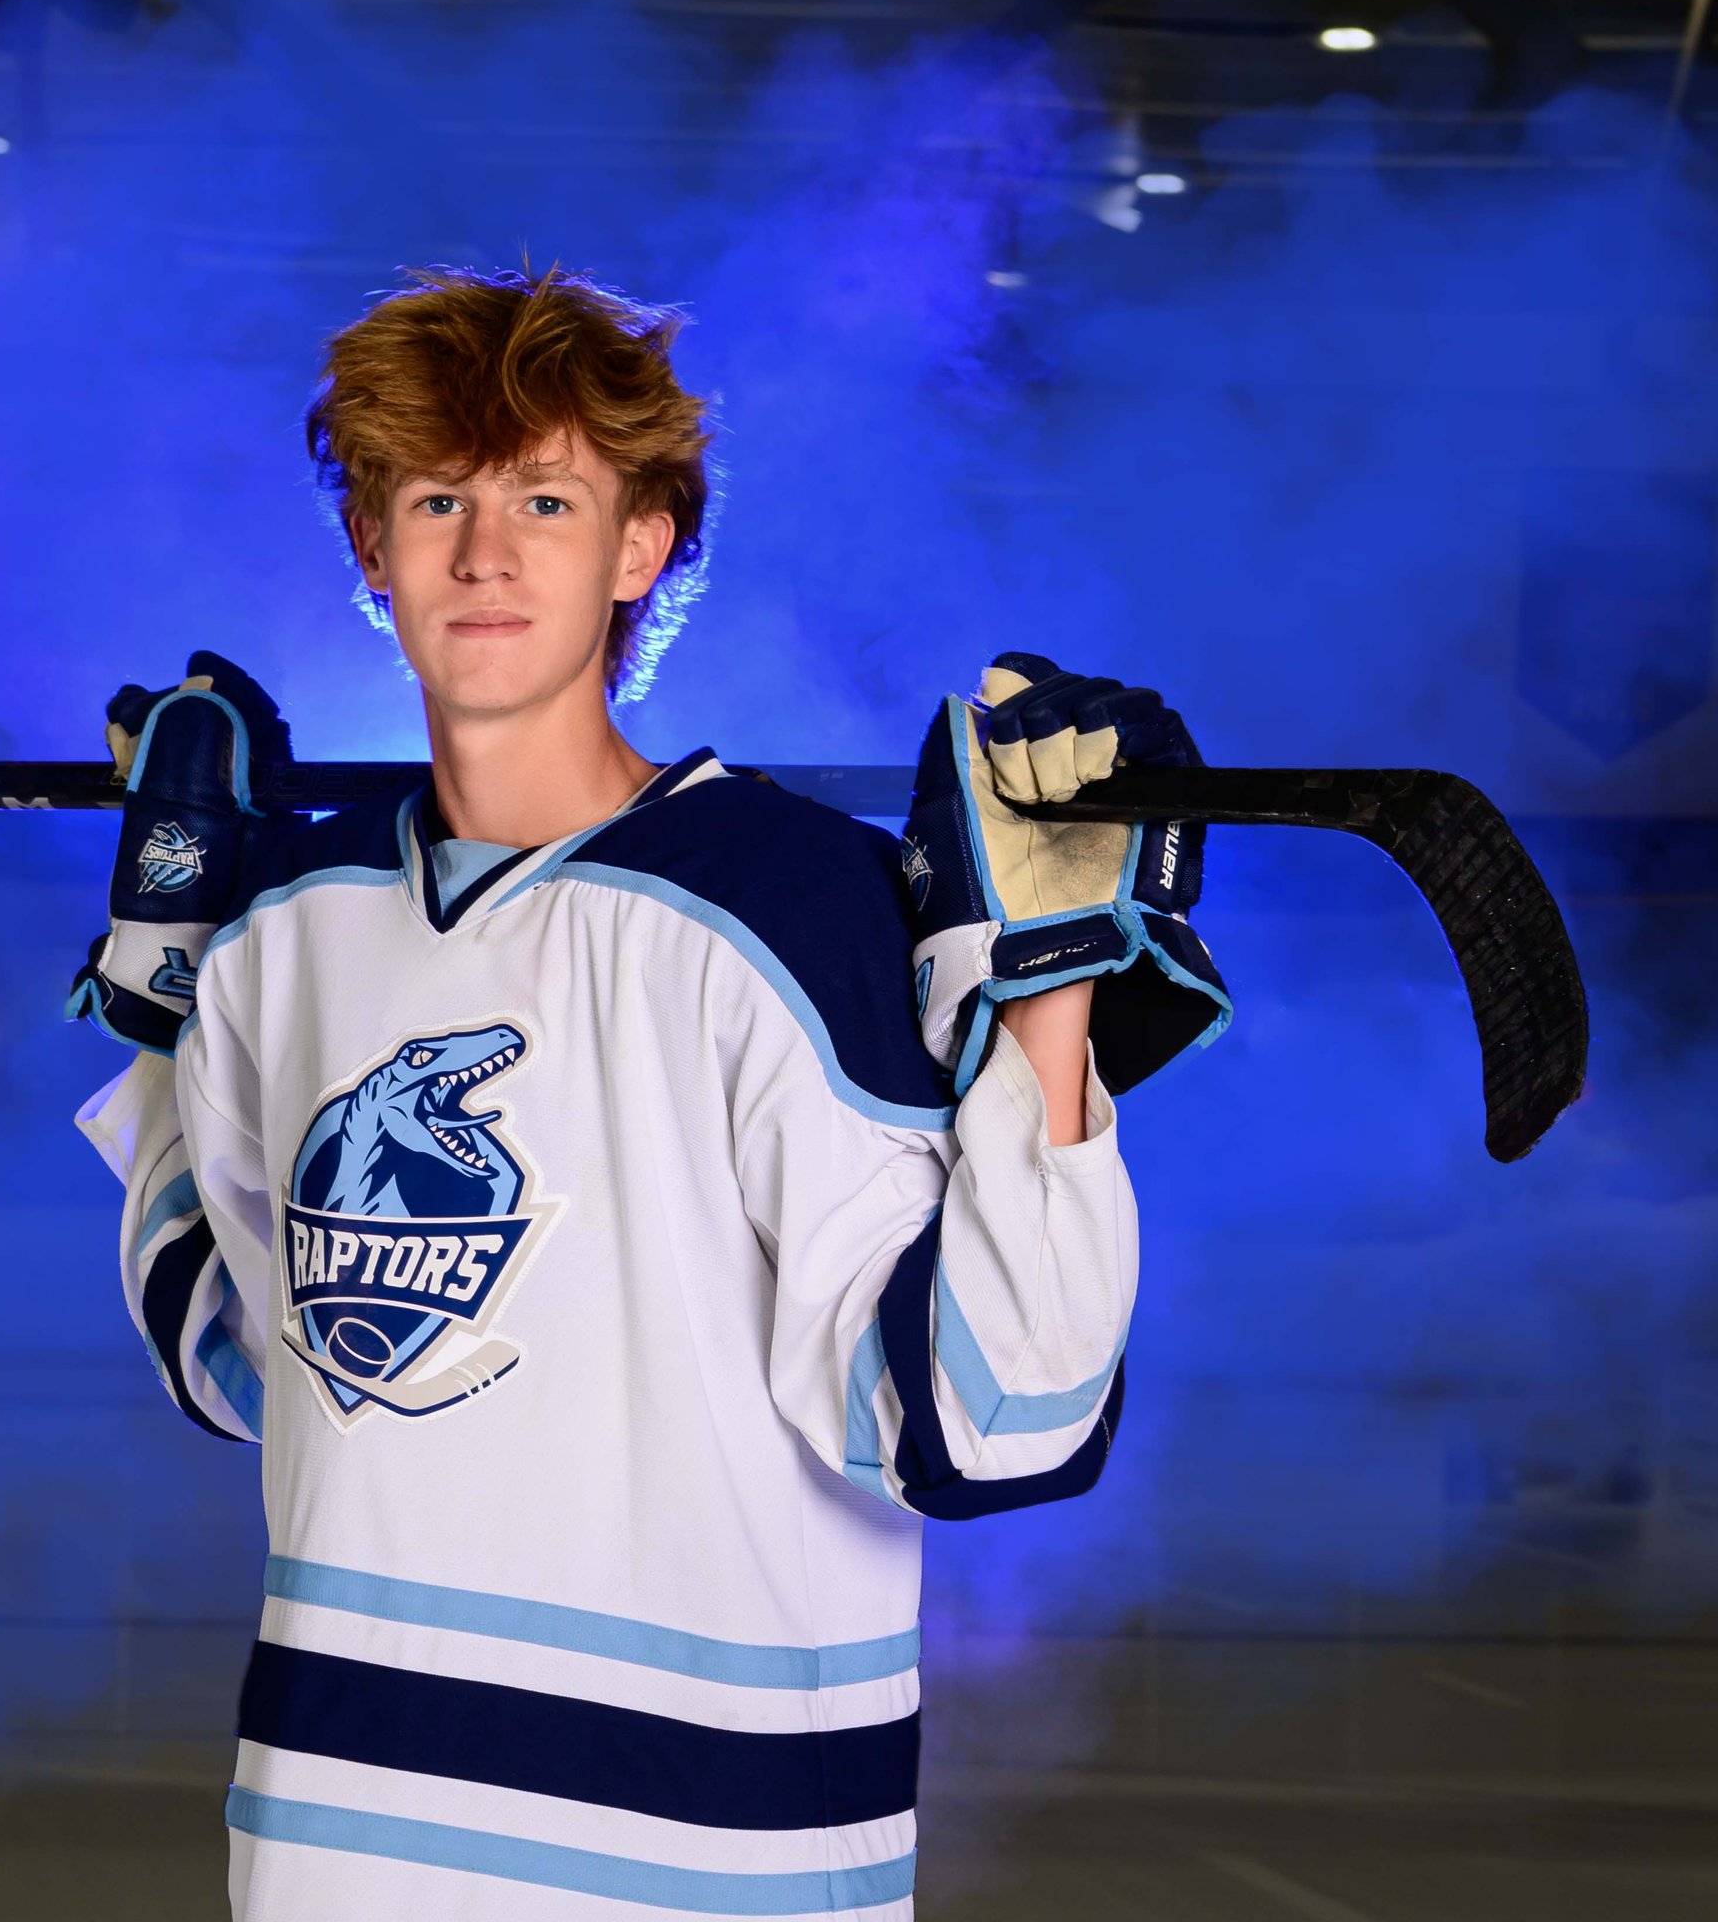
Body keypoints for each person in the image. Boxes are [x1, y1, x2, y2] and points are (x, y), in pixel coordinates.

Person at [67, 266, 1228, 1920]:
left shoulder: (798, 905)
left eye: (545, 497)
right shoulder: (285, 934)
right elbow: (237, 1359)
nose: (482, 551)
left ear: (640, 545)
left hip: (706, 1874)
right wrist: (169, 957)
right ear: (371, 551)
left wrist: (1048, 984)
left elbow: (991, 1423)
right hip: (329, 1858)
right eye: (435, 499)